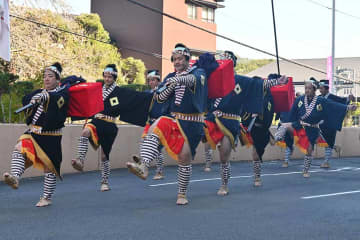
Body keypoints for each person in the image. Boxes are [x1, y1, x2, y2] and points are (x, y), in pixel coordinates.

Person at [126, 43, 208, 205]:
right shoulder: (170, 77)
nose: (177, 62)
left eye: (180, 59)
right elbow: (160, 97)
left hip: (193, 123)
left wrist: (176, 80)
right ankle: (144, 165)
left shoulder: (198, 72)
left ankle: (182, 193)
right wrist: (171, 85)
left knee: (184, 159)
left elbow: (192, 80)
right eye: (175, 59)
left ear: (187, 59)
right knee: (157, 124)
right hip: (174, 119)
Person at [204, 51, 288, 193]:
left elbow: (259, 83)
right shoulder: (211, 78)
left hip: (230, 122)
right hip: (212, 119)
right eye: (221, 60)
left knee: (224, 156)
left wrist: (276, 82)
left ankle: (224, 185)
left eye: (226, 61)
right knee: (196, 139)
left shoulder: (241, 81)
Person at [3, 62, 69, 207]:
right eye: (45, 76)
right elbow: (26, 99)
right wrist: (35, 98)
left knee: (48, 167)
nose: (46, 79)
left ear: (58, 80)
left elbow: (59, 102)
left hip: (51, 136)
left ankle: (46, 197)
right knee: (19, 148)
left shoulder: (62, 94)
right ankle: (15, 177)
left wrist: (47, 98)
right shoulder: (39, 92)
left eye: (50, 77)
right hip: (33, 133)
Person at [275, 77, 356, 177]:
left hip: (312, 129)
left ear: (314, 89)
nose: (307, 90)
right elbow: (292, 113)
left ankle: (305, 170)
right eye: (306, 88)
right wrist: (286, 121)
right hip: (300, 125)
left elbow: (333, 105)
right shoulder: (299, 100)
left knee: (309, 150)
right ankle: (281, 132)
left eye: (309, 88)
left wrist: (347, 107)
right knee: (287, 125)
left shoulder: (320, 100)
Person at [318, 79, 355, 168]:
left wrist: (348, 99)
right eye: (320, 88)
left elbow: (342, 102)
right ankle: (335, 147)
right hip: (320, 124)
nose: (320, 90)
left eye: (322, 88)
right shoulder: (319, 97)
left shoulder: (332, 97)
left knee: (328, 143)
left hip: (331, 123)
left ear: (326, 89)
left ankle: (326, 162)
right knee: (318, 139)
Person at [142, 69, 166, 180]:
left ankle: (159, 171)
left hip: (160, 122)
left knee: (157, 147)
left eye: (153, 80)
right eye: (149, 80)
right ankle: (144, 167)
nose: (151, 82)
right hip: (150, 122)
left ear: (158, 80)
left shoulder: (163, 92)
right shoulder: (147, 94)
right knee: (144, 142)